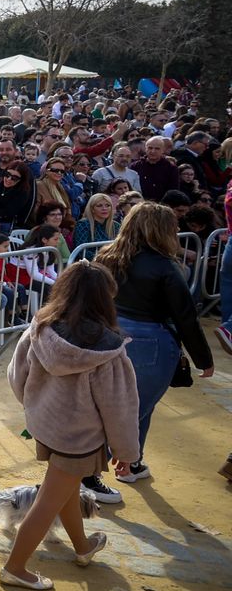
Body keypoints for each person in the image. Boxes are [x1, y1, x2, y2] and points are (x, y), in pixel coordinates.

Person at [1, 262, 140, 590]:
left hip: (46, 426)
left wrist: (33, 406)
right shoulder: (109, 350)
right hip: (80, 438)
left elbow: (16, 373)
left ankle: (82, 546)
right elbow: (119, 407)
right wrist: (126, 451)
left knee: (64, 490)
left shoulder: (40, 327)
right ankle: (15, 568)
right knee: (49, 500)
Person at [94, 202, 213, 485]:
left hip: (109, 334)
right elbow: (185, 317)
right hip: (150, 342)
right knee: (134, 410)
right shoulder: (165, 267)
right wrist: (204, 360)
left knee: (129, 408)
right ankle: (88, 476)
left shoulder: (106, 255)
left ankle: (132, 463)